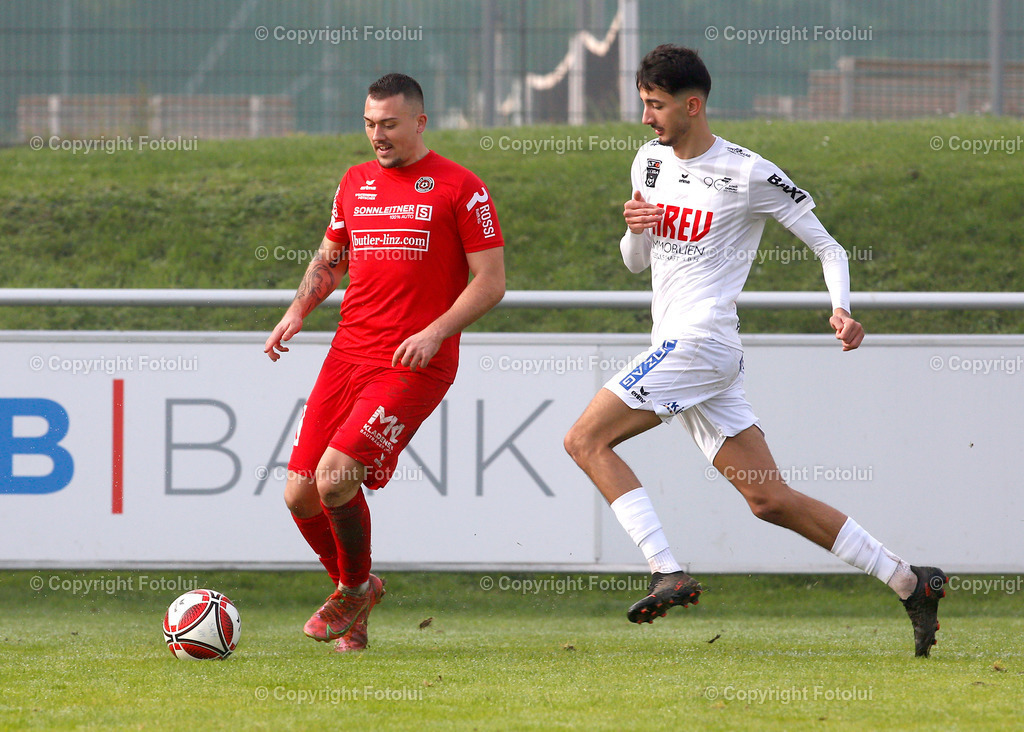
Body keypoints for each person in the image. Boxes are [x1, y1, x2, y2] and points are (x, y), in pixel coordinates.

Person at [563, 45, 947, 657]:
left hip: (701, 342)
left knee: (584, 440)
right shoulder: (649, 162)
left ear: (693, 105)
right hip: (686, 350)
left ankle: (667, 570)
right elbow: (637, 263)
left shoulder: (746, 172)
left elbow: (828, 248)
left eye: (656, 105)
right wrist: (634, 229)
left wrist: (841, 308)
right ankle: (910, 580)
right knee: (769, 499)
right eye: (643, 104)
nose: (646, 118)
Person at [264, 73, 505, 652]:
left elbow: (491, 282)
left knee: (335, 477)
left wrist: (437, 330)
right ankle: (358, 594)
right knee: (299, 495)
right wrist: (298, 309)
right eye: (370, 124)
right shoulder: (354, 183)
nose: (378, 135)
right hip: (348, 352)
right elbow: (331, 256)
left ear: (419, 122)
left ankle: (351, 589)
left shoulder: (460, 188)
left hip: (413, 362)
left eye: (389, 125)